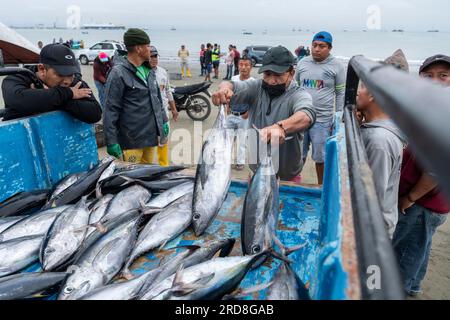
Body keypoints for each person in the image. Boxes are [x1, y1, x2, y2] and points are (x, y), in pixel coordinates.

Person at [212, 46, 316, 181]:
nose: (272, 81)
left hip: (286, 177)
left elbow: (306, 115)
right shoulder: (256, 87)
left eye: (278, 75)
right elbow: (231, 84)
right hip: (256, 173)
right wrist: (224, 89)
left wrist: (281, 127)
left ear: (291, 73)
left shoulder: (299, 94)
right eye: (267, 74)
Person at [392, 54, 450, 297]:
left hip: (424, 202)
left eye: (443, 76)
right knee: (420, 246)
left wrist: (410, 198)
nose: (435, 82)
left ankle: (401, 289)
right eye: (428, 76)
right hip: (428, 202)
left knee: (406, 250)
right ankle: (414, 286)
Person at [356, 49, 409, 239]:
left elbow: (372, 199)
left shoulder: (379, 141)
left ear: (372, 94)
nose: (356, 92)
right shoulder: (378, 128)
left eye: (361, 87)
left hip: (372, 231)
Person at [103, 28, 168, 163]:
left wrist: (164, 120)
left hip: (149, 138)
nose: (150, 49)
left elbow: (157, 99)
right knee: (131, 179)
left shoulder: (148, 70)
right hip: (131, 141)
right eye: (148, 46)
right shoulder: (118, 73)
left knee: (148, 175)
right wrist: (111, 140)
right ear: (138, 48)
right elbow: (110, 109)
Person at [1, 44, 101, 124]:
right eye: (61, 74)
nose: (67, 81)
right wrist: (68, 94)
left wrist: (57, 99)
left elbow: (95, 114)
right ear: (42, 69)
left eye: (71, 74)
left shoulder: (75, 83)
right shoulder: (17, 79)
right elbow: (20, 100)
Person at [295, 31, 346, 185]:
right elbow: (295, 88)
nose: (316, 49)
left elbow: (340, 92)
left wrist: (337, 118)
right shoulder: (303, 63)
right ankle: (293, 185)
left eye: (321, 46)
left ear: (329, 48)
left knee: (321, 158)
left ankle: (321, 188)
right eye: (314, 45)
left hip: (322, 121)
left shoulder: (337, 66)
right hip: (300, 117)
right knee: (298, 156)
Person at [150, 46, 179, 166]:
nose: (154, 59)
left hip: (164, 114)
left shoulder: (163, 72)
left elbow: (168, 92)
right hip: (149, 114)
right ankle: (148, 167)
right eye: (151, 56)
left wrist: (174, 109)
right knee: (150, 143)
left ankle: (163, 166)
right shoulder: (142, 73)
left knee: (164, 140)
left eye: (155, 56)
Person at [227, 56, 254, 170]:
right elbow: (229, 94)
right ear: (237, 66)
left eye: (246, 65)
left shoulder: (253, 82)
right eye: (241, 65)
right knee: (227, 139)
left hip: (244, 116)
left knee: (242, 140)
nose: (243, 67)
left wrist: (249, 110)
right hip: (231, 114)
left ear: (251, 67)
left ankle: (240, 162)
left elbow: (255, 99)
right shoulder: (234, 79)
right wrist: (227, 107)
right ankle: (225, 160)